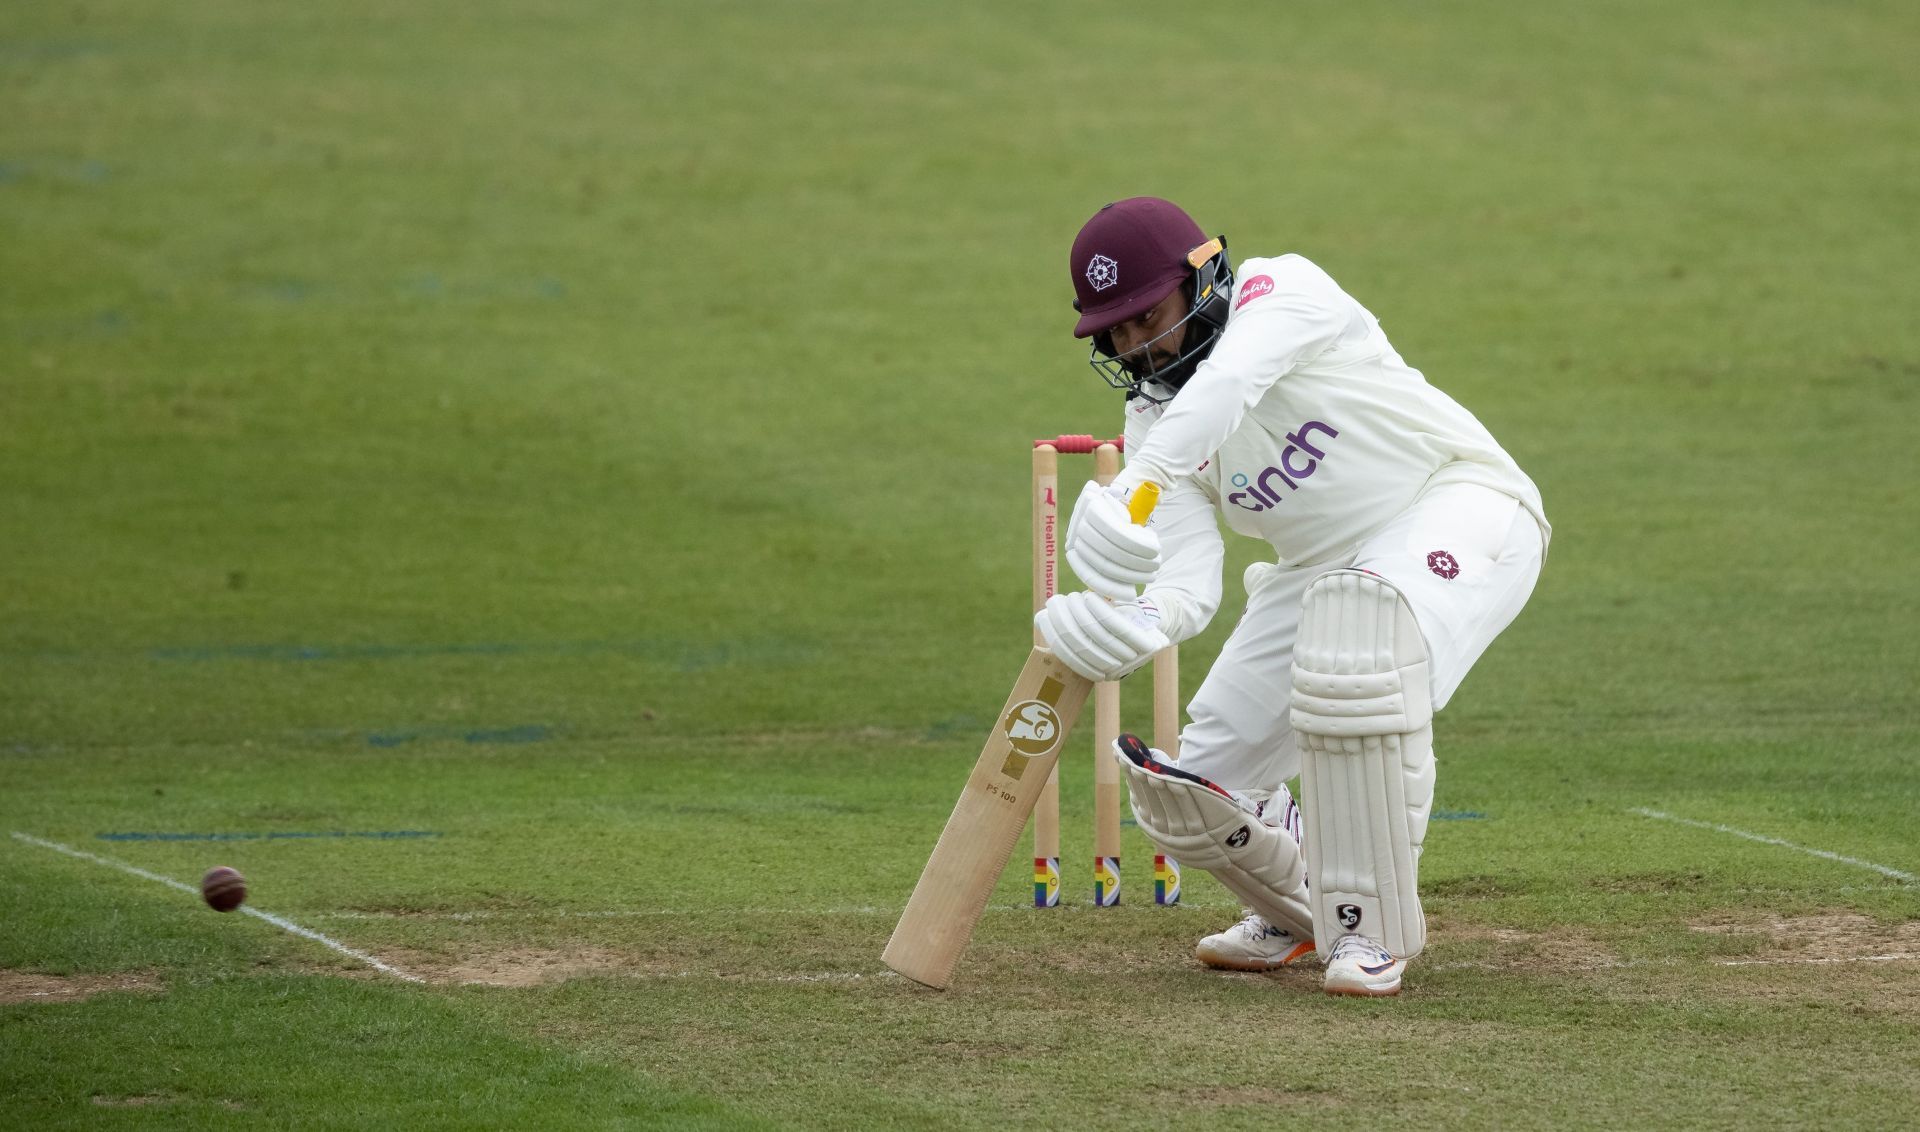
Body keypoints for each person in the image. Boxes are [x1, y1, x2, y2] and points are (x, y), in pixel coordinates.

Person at [1033, 197, 1550, 996]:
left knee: (1359, 641)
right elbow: (1186, 583)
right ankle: (1303, 910)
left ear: (1203, 278)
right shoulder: (1151, 424)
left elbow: (1231, 383)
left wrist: (1136, 484)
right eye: (1119, 334)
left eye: (1148, 317)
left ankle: (1374, 931)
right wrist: (1134, 622)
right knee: (1194, 791)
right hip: (1319, 567)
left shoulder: (1285, 291)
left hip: (1458, 503)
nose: (1138, 346)